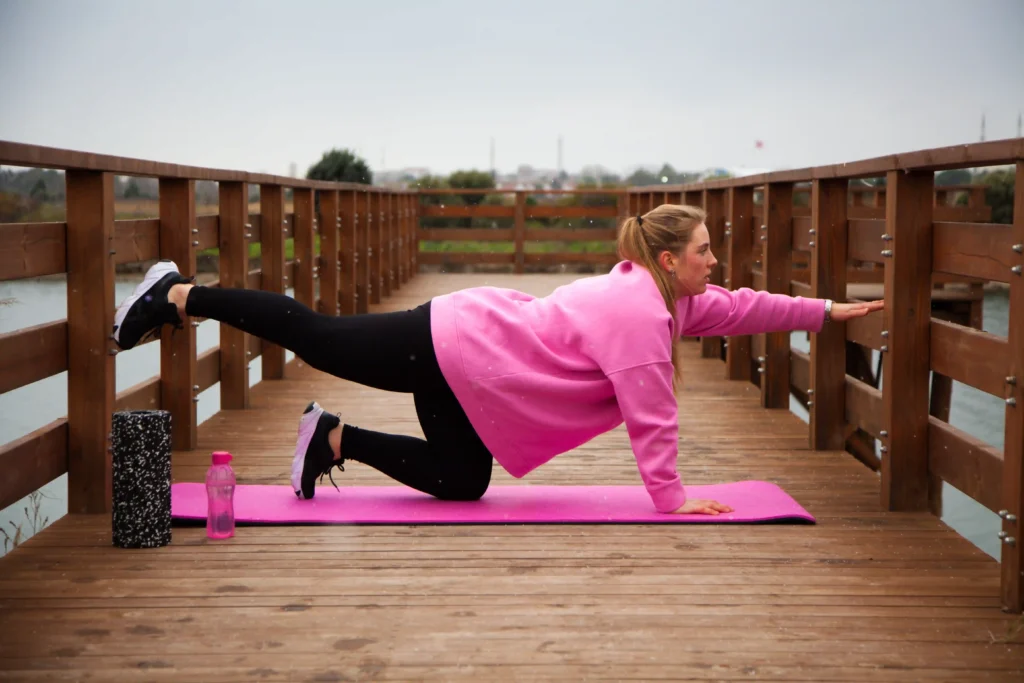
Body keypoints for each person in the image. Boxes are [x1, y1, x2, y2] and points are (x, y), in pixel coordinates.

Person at [113, 204, 883, 515]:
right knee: (317, 335)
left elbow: (744, 306)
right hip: (455, 342)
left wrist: (825, 313)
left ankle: (330, 440)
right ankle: (179, 295)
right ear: (669, 256)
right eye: (706, 250)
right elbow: (655, 416)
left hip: (473, 367)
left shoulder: (663, 295)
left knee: (463, 480)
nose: (715, 262)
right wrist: (673, 497)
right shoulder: (644, 316)